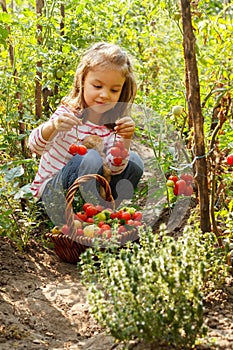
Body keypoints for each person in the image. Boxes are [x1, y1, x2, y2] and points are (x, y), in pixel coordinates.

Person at [29, 42, 144, 226]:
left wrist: (125, 139)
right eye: (97, 86)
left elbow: (114, 170)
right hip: (52, 197)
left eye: (114, 90)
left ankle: (101, 217)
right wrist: (53, 126)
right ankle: (77, 219)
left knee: (135, 161)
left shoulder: (111, 128)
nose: (105, 95)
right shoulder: (68, 115)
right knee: (89, 157)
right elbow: (34, 146)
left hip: (91, 198)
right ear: (83, 81)